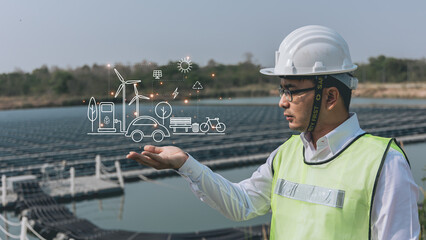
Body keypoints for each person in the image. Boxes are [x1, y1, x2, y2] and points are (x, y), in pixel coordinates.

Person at [127, 25, 420, 239]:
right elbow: (242, 204)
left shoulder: (383, 163)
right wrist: (186, 164)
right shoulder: (287, 154)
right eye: (282, 90)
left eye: (291, 91)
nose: (282, 101)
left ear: (330, 97)